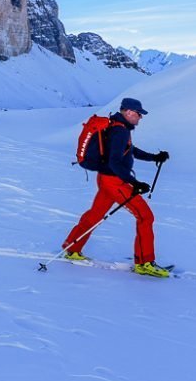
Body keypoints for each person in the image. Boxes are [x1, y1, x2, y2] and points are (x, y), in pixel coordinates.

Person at [62, 97, 170, 277]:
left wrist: (154, 157)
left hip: (106, 179)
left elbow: (130, 150)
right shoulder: (120, 131)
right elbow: (115, 162)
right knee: (145, 216)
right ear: (128, 112)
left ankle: (72, 247)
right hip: (114, 181)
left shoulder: (118, 127)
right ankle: (144, 263)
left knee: (95, 215)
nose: (140, 118)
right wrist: (134, 183)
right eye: (138, 114)